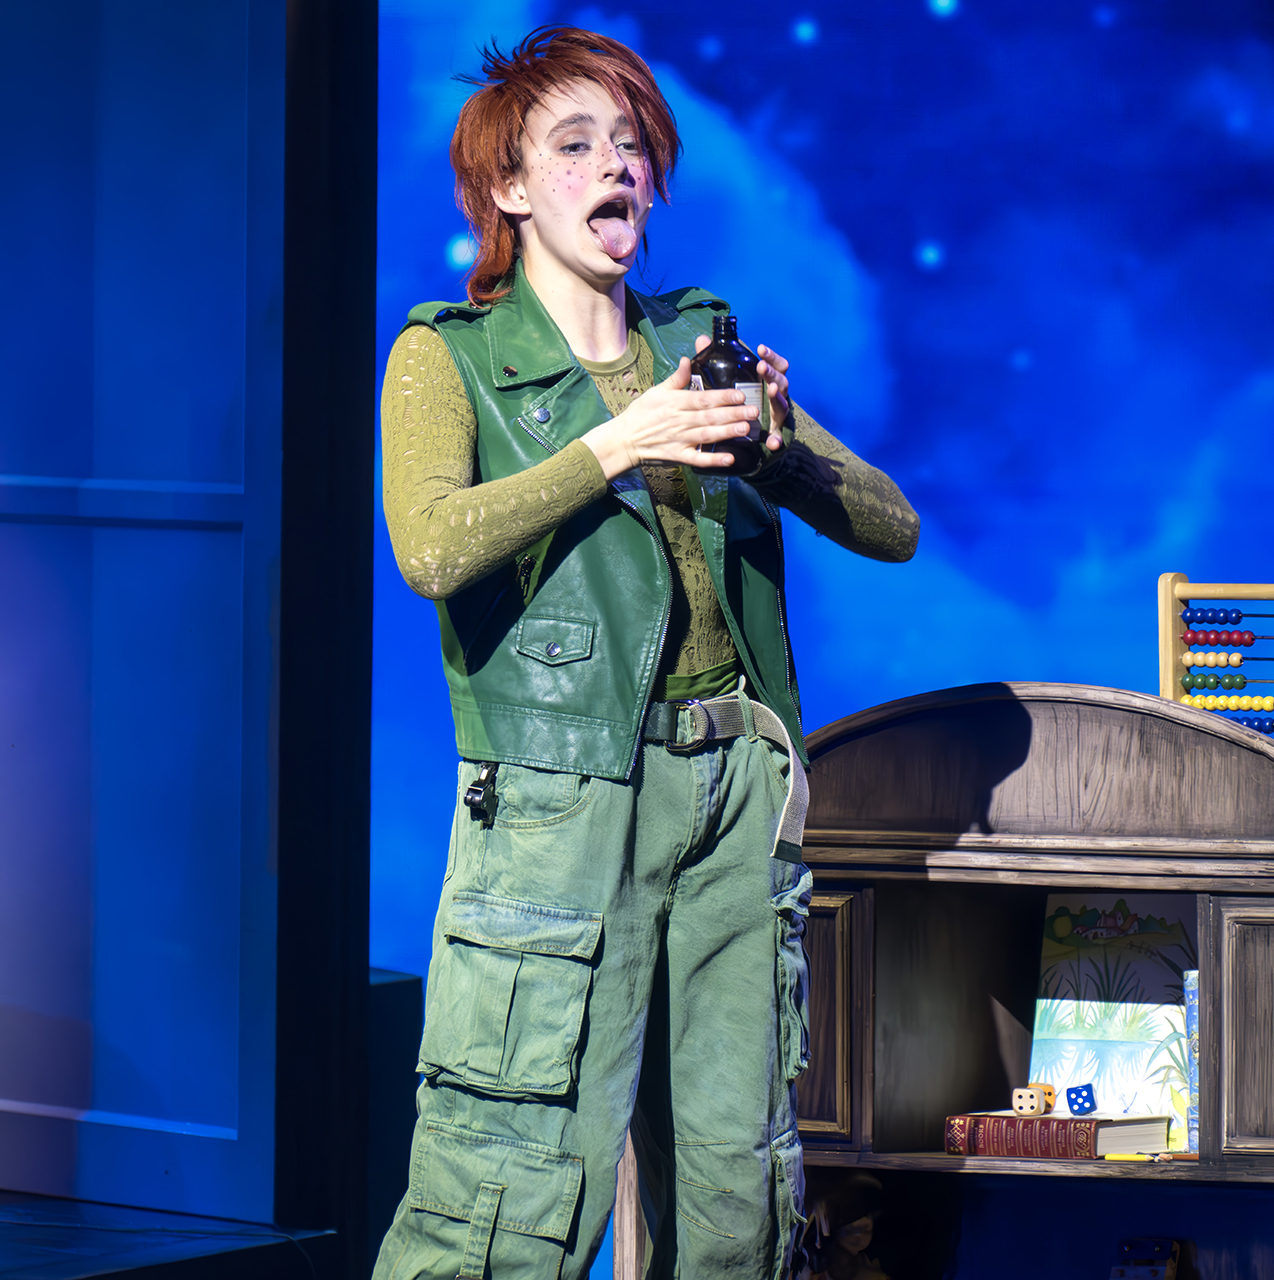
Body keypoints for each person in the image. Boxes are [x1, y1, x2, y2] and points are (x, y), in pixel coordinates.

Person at [371, 26, 918, 1280]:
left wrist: (776, 444)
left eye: (631, 145)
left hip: (733, 794)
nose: (616, 167)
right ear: (510, 187)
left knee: (738, 1190)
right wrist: (616, 445)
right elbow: (431, 546)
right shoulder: (451, 357)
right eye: (576, 145)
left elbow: (892, 525)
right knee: (509, 1186)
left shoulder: (699, 342)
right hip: (561, 807)